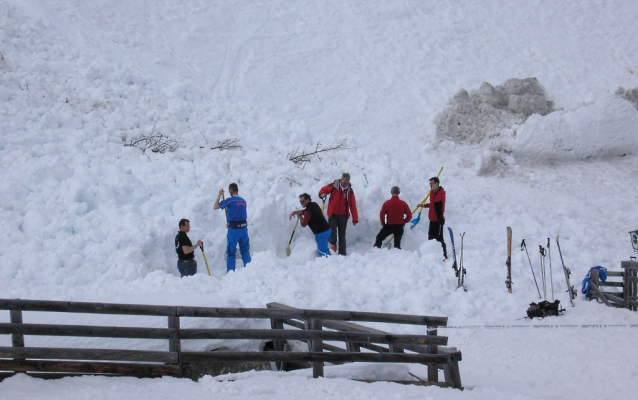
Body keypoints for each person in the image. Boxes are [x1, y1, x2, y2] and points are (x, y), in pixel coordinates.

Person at [213, 183, 251, 272]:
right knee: (245, 250)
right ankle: (249, 270)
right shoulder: (243, 201)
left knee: (231, 252)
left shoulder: (230, 201)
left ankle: (231, 273)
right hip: (244, 228)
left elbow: (215, 206)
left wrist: (219, 195)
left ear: (230, 190)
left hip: (234, 230)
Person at [318, 173, 358, 255]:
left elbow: (353, 206)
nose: (345, 184)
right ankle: (333, 247)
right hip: (333, 215)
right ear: (341, 180)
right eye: (344, 182)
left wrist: (355, 218)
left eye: (347, 182)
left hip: (343, 216)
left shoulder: (350, 191)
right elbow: (323, 190)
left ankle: (342, 254)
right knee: (332, 233)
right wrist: (322, 194)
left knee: (342, 235)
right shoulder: (334, 186)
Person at [289, 193, 332, 257]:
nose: (301, 203)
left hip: (321, 233)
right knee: (323, 249)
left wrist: (300, 217)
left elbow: (303, 224)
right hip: (327, 230)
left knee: (323, 252)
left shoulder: (308, 211)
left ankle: (329, 264)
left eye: (302, 201)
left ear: (308, 200)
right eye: (300, 202)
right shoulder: (314, 204)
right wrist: (296, 212)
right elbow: (305, 211)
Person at [417, 176, 448, 260]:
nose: (430, 185)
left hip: (438, 219)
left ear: (437, 184)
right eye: (429, 184)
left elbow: (436, 201)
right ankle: (431, 255)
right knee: (430, 238)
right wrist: (424, 205)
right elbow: (432, 204)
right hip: (432, 219)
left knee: (439, 238)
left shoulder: (441, 193)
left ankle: (444, 255)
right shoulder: (432, 193)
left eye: (432, 183)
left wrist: (433, 192)